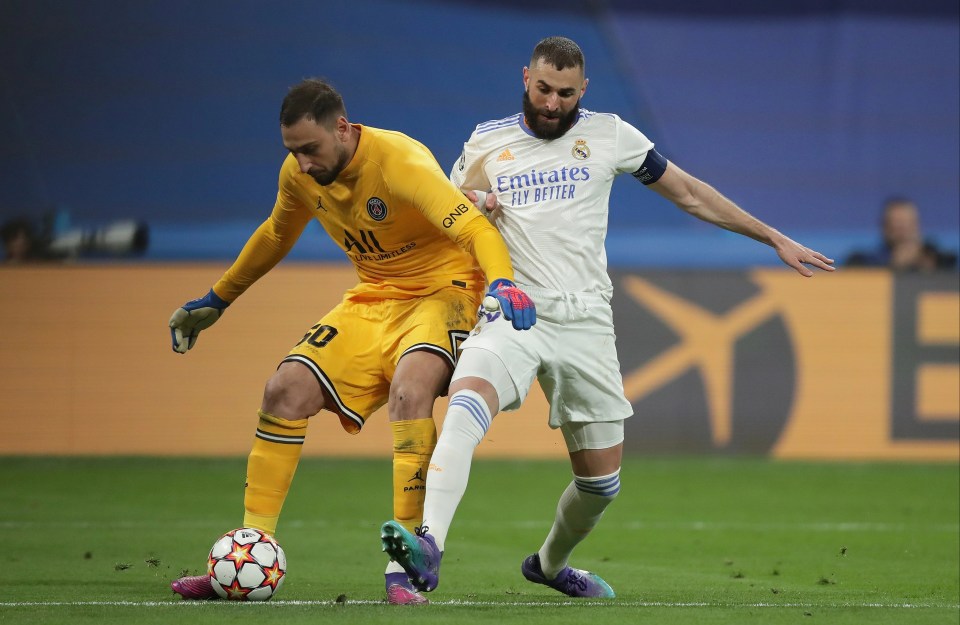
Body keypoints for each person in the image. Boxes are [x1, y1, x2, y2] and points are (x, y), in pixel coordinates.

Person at [380, 36, 835, 599]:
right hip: (515, 312)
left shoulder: (611, 134)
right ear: (526, 77)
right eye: (544, 89)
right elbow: (447, 217)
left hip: (587, 322)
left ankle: (548, 565)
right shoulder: (485, 143)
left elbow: (689, 194)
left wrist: (772, 237)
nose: (552, 104)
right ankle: (429, 544)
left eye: (565, 94)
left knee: (600, 484)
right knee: (467, 407)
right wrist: (473, 206)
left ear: (583, 90)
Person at [167, 78, 535, 605]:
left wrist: (502, 282)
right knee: (283, 390)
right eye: (292, 151)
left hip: (443, 291)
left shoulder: (400, 161)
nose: (302, 162)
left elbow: (475, 229)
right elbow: (276, 234)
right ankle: (247, 554)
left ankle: (404, 568)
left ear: (342, 128)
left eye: (310, 149)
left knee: (410, 393)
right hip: (374, 298)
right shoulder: (298, 174)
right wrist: (217, 299)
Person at [845, 197, 957, 271]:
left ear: (918, 226)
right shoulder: (862, 261)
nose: (902, 231)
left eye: (907, 224)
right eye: (896, 224)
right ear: (884, 227)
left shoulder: (939, 258)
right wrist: (894, 266)